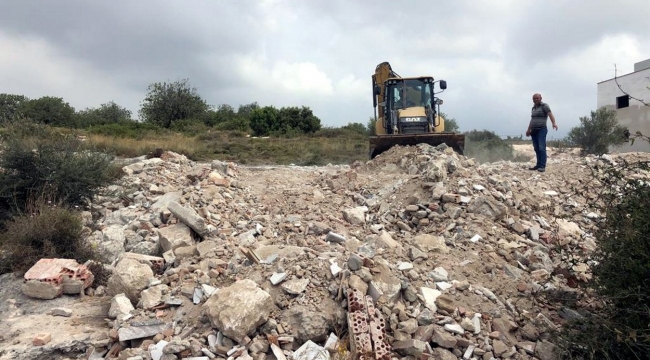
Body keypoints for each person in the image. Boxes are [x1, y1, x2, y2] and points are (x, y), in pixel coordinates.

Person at [525, 93, 558, 172]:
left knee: (541, 147)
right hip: (534, 130)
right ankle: (538, 165)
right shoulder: (533, 108)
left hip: (541, 129)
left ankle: (542, 166)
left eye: (537, 98)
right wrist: (528, 129)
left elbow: (550, 114)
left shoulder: (544, 106)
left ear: (540, 98)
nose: (535, 99)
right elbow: (532, 120)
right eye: (534, 98)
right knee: (536, 148)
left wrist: (553, 123)